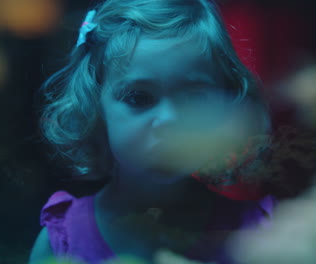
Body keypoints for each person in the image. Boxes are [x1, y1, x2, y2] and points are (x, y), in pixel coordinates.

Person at [30, 0, 275, 263]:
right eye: (139, 98)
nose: (168, 120)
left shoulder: (260, 237)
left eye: (191, 98)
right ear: (95, 108)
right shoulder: (63, 241)